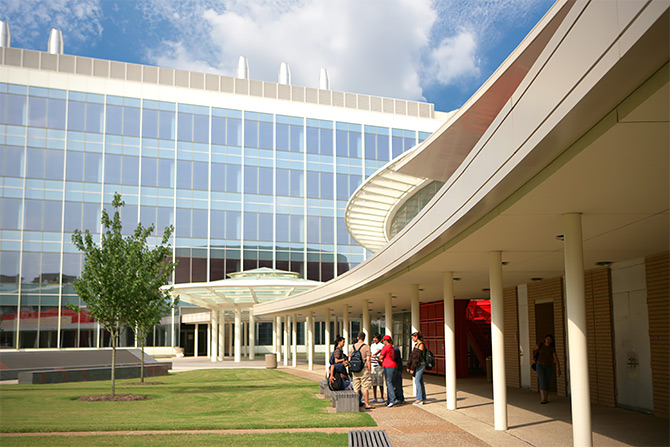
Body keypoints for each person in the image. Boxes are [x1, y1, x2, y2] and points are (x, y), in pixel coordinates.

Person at [532, 334, 561, 404]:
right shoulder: (541, 345)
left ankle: (546, 398)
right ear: (545, 339)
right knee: (542, 381)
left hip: (549, 366)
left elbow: (556, 359)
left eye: (550, 340)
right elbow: (533, 349)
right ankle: (543, 399)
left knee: (547, 381)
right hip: (540, 365)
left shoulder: (552, 348)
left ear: (551, 341)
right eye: (547, 339)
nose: (548, 341)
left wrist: (558, 369)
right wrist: (533, 358)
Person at [349, 331, 374, 410]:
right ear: (364, 338)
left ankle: (356, 403)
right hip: (364, 369)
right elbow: (368, 359)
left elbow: (350, 358)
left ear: (357, 338)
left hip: (355, 370)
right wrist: (369, 370)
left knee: (356, 387)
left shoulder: (352, 347)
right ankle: (367, 403)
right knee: (365, 387)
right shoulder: (366, 347)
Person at [377, 335, 398, 407]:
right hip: (394, 366)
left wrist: (377, 357)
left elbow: (381, 356)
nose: (383, 342)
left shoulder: (385, 347)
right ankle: (389, 400)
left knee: (389, 383)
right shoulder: (392, 347)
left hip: (388, 366)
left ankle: (393, 399)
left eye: (384, 341)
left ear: (386, 341)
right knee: (391, 383)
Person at [407, 331, 426, 405]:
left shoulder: (421, 345)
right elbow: (412, 357)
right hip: (417, 365)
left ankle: (419, 399)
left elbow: (417, 357)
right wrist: (409, 365)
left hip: (421, 364)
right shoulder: (416, 345)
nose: (412, 339)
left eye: (413, 337)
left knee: (417, 381)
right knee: (420, 381)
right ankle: (422, 397)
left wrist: (412, 368)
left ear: (416, 337)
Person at [370, 334, 385, 403]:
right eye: (373, 338)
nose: (374, 339)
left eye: (376, 338)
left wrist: (375, 355)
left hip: (379, 364)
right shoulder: (372, 345)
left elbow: (380, 350)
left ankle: (382, 397)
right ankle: (374, 397)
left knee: (380, 381)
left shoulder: (381, 345)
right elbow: (371, 352)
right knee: (374, 382)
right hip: (372, 364)